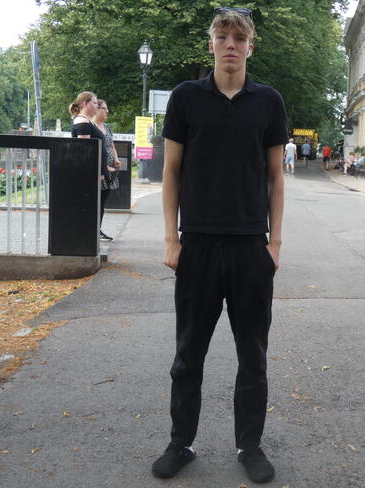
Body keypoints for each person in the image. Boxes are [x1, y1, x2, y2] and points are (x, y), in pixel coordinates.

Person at [152, 7, 287, 485]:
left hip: (250, 247)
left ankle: (250, 445)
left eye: (239, 37)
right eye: (223, 36)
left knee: (253, 356)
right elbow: (171, 172)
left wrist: (274, 243)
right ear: (211, 44)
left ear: (251, 46)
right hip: (198, 246)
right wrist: (171, 238)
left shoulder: (268, 102)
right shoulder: (187, 98)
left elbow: (275, 177)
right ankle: (180, 443)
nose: (231, 44)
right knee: (188, 355)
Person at [69, 91, 110, 241]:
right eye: (94, 103)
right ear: (85, 103)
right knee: (89, 206)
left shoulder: (87, 121)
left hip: (96, 173)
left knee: (95, 206)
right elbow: (85, 152)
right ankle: (85, 237)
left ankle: (89, 235)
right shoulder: (82, 122)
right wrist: (95, 173)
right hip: (90, 174)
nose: (96, 106)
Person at [93, 99, 121, 241]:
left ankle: (97, 230)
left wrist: (116, 158)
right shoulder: (91, 127)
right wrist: (103, 167)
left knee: (102, 203)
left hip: (110, 171)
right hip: (99, 170)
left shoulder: (107, 127)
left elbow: (111, 145)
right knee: (95, 202)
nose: (107, 112)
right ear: (97, 109)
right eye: (104, 108)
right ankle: (92, 231)